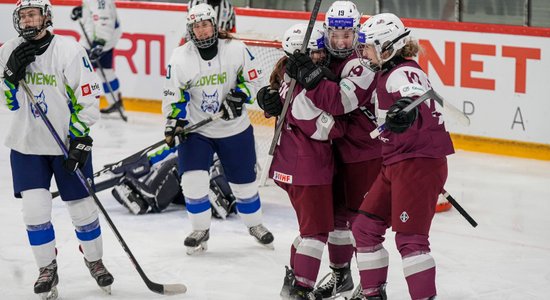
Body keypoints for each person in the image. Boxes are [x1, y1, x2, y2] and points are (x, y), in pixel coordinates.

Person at [0, 0, 114, 299]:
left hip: (66, 145)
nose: (27, 20)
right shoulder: (8, 50)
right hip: (26, 145)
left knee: (83, 210)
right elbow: (8, 102)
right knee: (35, 211)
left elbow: (88, 100)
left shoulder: (70, 50)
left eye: (33, 14)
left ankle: (95, 260)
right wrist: (10, 78)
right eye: (23, 16)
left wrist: (78, 137)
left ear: (46, 17)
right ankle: (47, 269)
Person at [350, 13, 455, 300]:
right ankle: (372, 293)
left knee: (411, 240)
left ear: (388, 47)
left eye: (369, 47)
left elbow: (413, 96)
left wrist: (405, 109)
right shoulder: (388, 72)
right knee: (365, 228)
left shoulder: (402, 73)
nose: (365, 53)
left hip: (416, 163)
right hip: (398, 162)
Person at [162, 3, 274, 255]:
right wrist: (174, 122)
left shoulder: (236, 49)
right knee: (192, 181)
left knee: (244, 185)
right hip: (197, 130)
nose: (201, 31)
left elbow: (254, 79)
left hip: (235, 128)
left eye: (205, 25)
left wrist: (239, 96)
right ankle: (200, 229)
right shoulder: (180, 57)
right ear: (190, 29)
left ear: (214, 25)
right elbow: (173, 96)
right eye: (196, 27)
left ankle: (255, 225)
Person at [70, 0, 124, 115]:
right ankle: (115, 100)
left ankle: (73, 103)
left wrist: (99, 43)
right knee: (105, 71)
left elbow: (104, 20)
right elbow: (96, 14)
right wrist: (84, 11)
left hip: (96, 41)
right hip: (103, 42)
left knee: (76, 71)